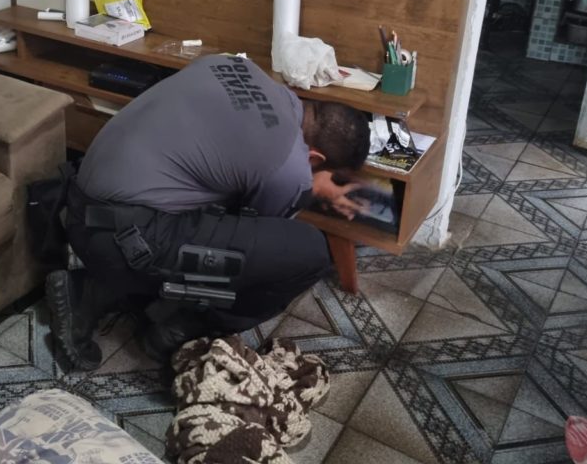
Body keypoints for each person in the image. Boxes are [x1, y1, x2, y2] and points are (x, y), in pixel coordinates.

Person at [46, 53, 370, 370]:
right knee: (307, 253)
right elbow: (260, 238)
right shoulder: (290, 167)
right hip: (117, 237)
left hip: (79, 200)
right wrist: (307, 190)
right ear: (316, 158)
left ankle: (114, 288)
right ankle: (174, 328)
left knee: (221, 204)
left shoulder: (235, 64)